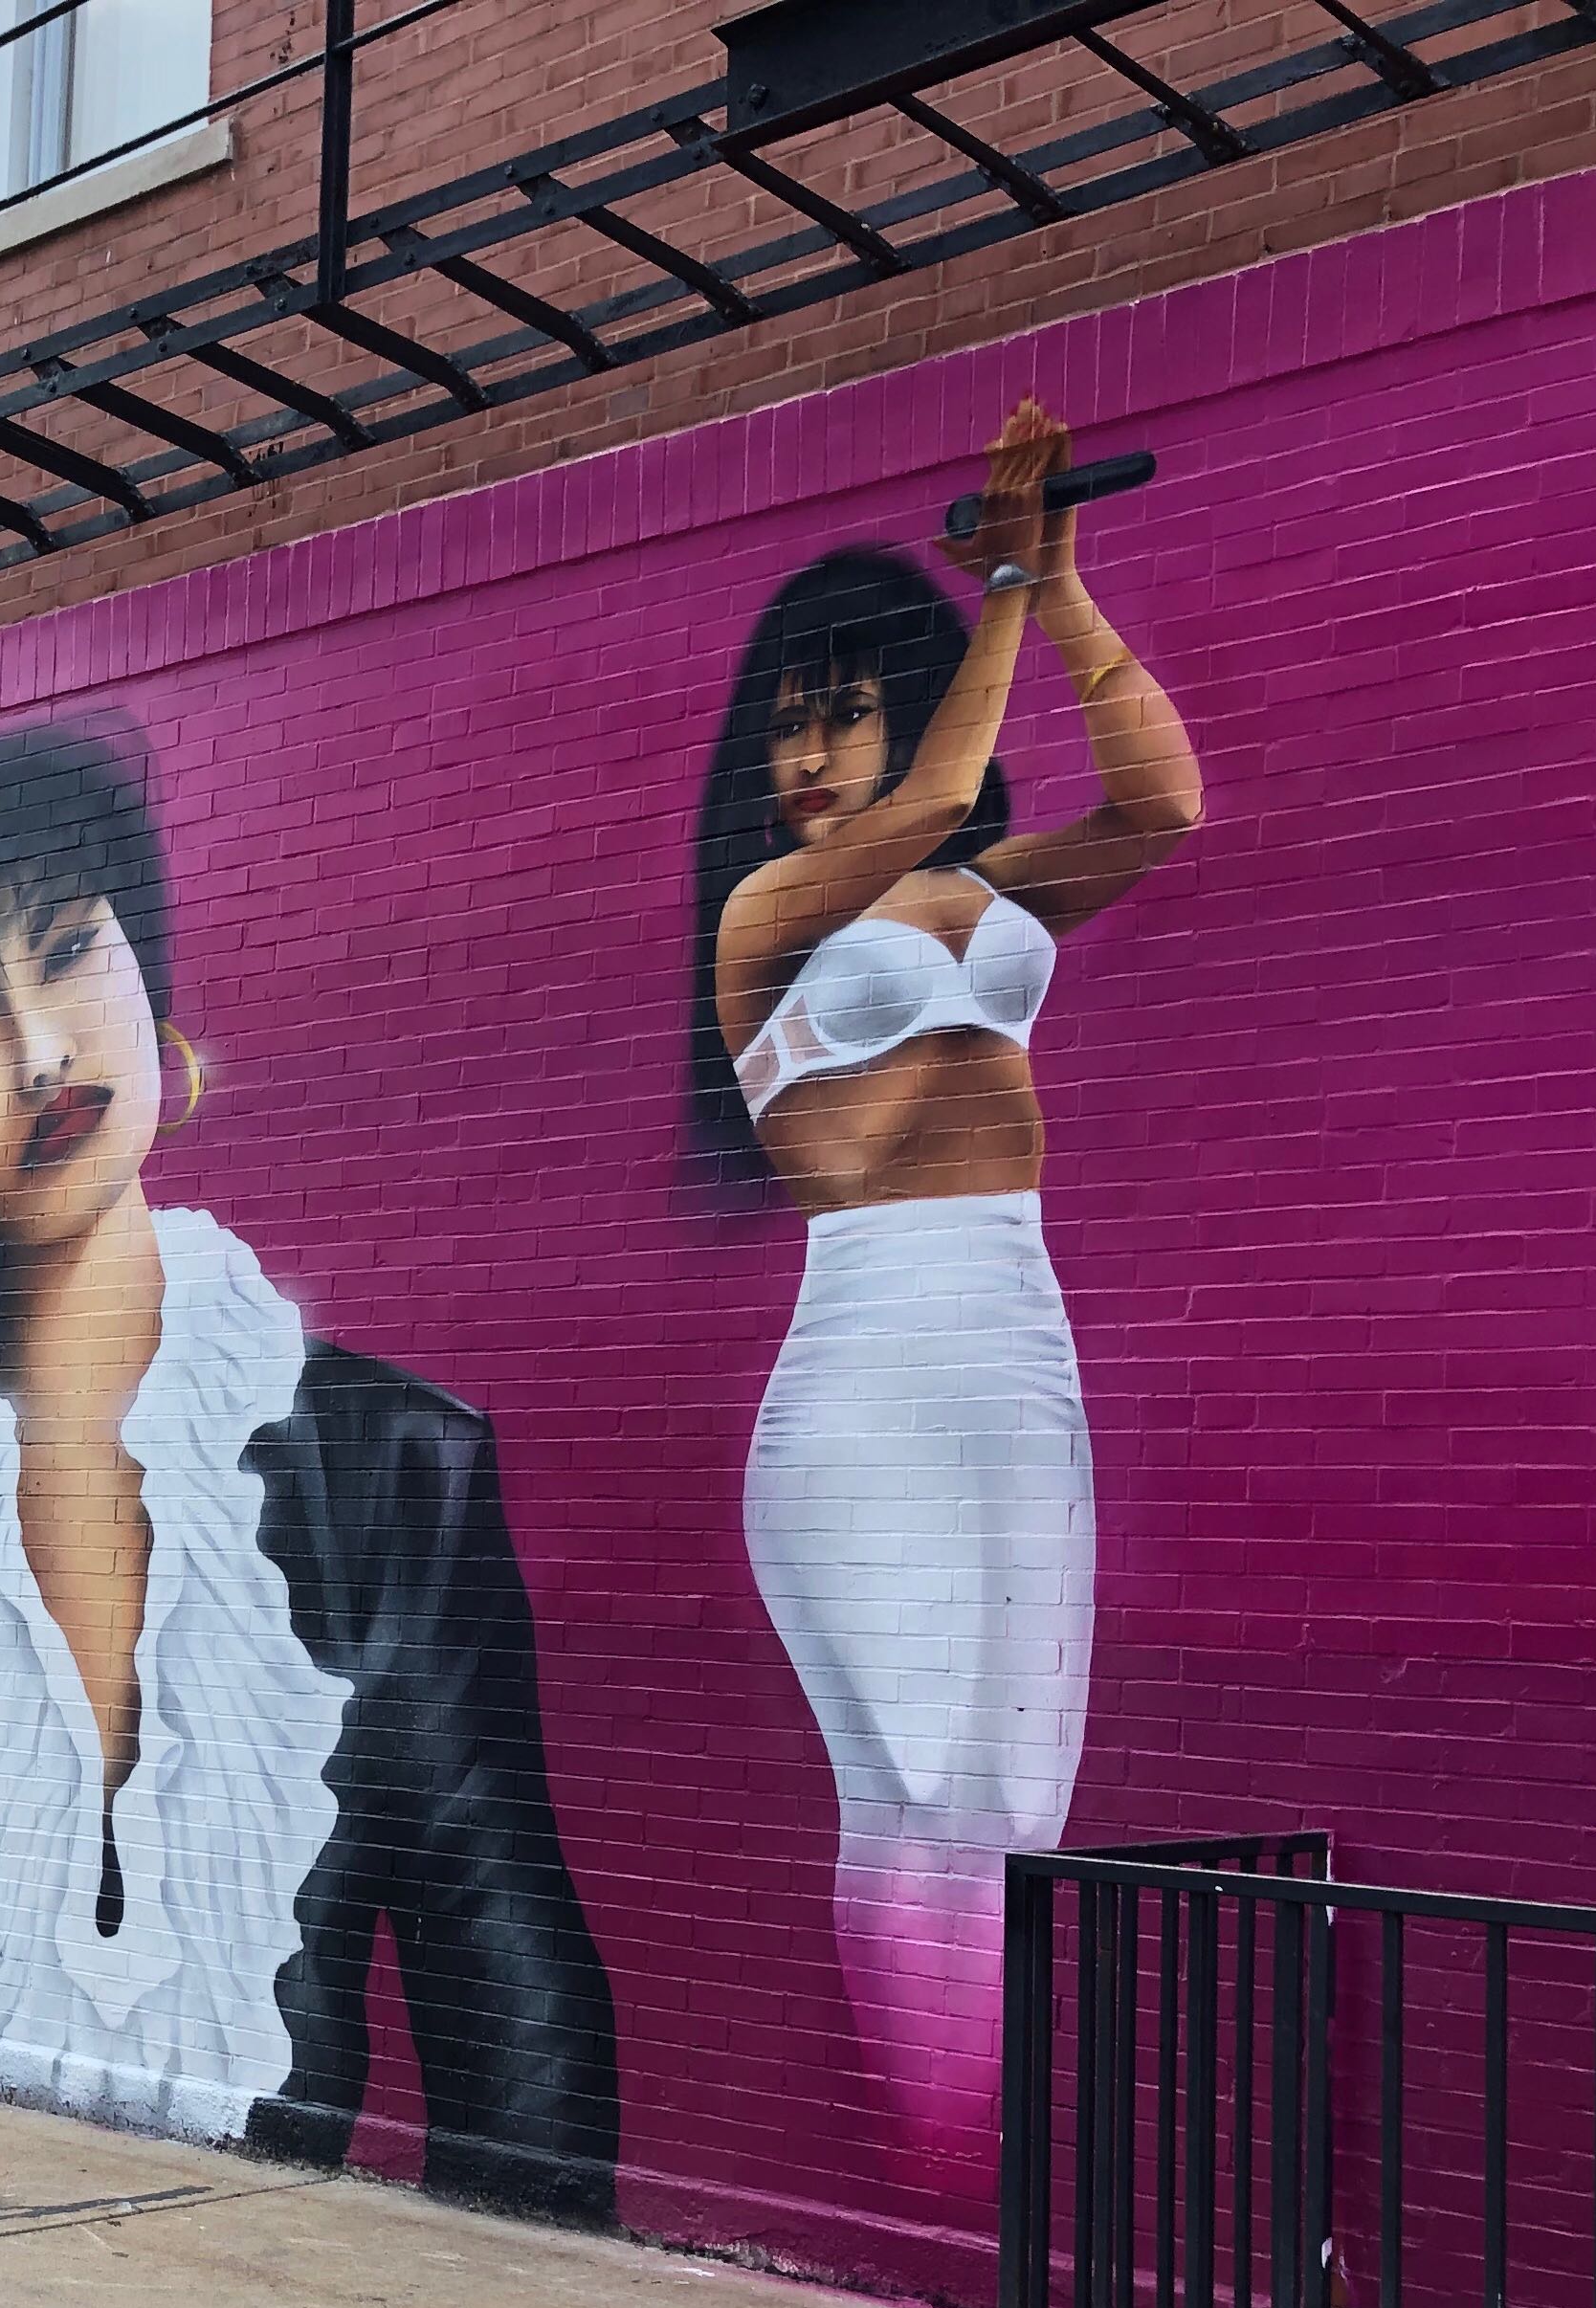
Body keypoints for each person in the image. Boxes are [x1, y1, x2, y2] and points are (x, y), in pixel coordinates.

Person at [0, 720, 620, 2219]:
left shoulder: (393, 1474)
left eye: (69, 953)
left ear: (155, 983)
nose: (40, 1050)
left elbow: (513, 2003)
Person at [689, 397, 1205, 2191]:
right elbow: (924, 804)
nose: (807, 750)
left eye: (836, 702)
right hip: (865, 1371)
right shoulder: (765, 913)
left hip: (1014, 1342)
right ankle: (917, 2167)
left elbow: (1160, 800)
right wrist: (1000, 582)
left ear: (899, 688)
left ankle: (984, 2171)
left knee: (1020, 1796)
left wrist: (1055, 592)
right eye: (783, 719)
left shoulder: (987, 891)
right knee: (907, 1788)